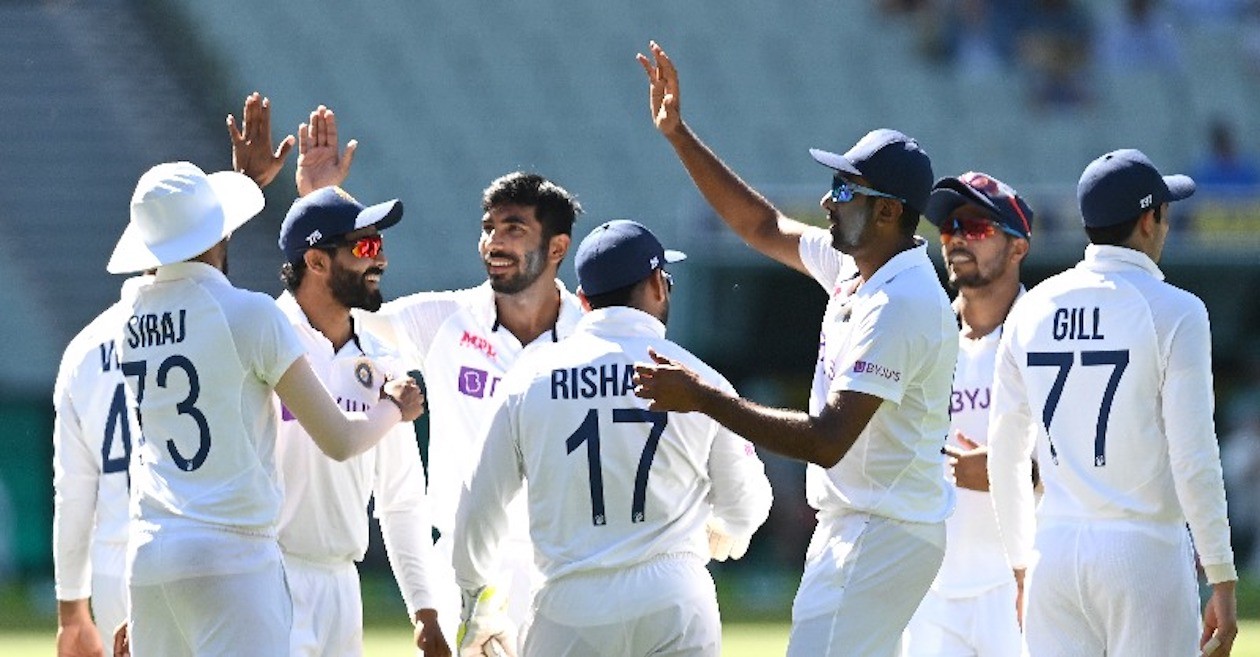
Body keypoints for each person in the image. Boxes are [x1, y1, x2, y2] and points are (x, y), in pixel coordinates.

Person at [634, 42, 957, 657]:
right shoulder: (858, 266)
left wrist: (702, 398)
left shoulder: (901, 303)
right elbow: (761, 225)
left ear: (888, 212)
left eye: (846, 191)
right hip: (869, 523)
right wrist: (678, 134)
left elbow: (826, 441)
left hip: (880, 529)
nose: (831, 200)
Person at [108, 160, 424, 657]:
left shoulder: (128, 319)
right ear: (218, 231)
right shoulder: (252, 314)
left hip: (151, 554)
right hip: (234, 554)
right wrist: (393, 408)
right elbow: (340, 440)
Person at [452, 219, 773, 657]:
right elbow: (746, 502)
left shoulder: (529, 376)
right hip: (672, 597)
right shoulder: (700, 379)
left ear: (583, 301)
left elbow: (479, 501)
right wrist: (730, 528)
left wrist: (477, 601)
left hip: (568, 603)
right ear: (658, 284)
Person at [987, 149, 1238, 656]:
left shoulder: (1030, 308)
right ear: (1149, 220)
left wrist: (1020, 565)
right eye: (1166, 213)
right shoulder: (1178, 311)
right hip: (1144, 551)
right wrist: (1222, 577)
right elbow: (1194, 457)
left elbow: (1005, 452)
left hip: (1051, 552)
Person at [356, 168, 585, 646]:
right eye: (488, 228)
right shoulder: (445, 320)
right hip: (466, 570)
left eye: (513, 229)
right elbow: (336, 316)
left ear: (557, 248)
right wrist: (319, 203)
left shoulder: (592, 334)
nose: (493, 243)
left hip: (568, 565)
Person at [271, 187, 451, 657]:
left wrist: (425, 611)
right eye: (365, 247)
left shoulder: (383, 361)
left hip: (340, 590)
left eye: (379, 246)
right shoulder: (266, 337)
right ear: (316, 262)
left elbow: (401, 499)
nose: (381, 260)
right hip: (264, 575)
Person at [901, 172, 1034, 657]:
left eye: (977, 228)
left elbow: (1083, 455)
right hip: (930, 592)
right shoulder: (921, 336)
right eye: (949, 227)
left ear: (1018, 247)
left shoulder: (1043, 338)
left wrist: (1010, 472)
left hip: (1020, 585)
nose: (957, 238)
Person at [52, 272, 151, 656]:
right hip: (202, 550)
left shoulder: (85, 348)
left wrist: (71, 609)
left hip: (116, 566)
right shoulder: (217, 322)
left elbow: (73, 495)